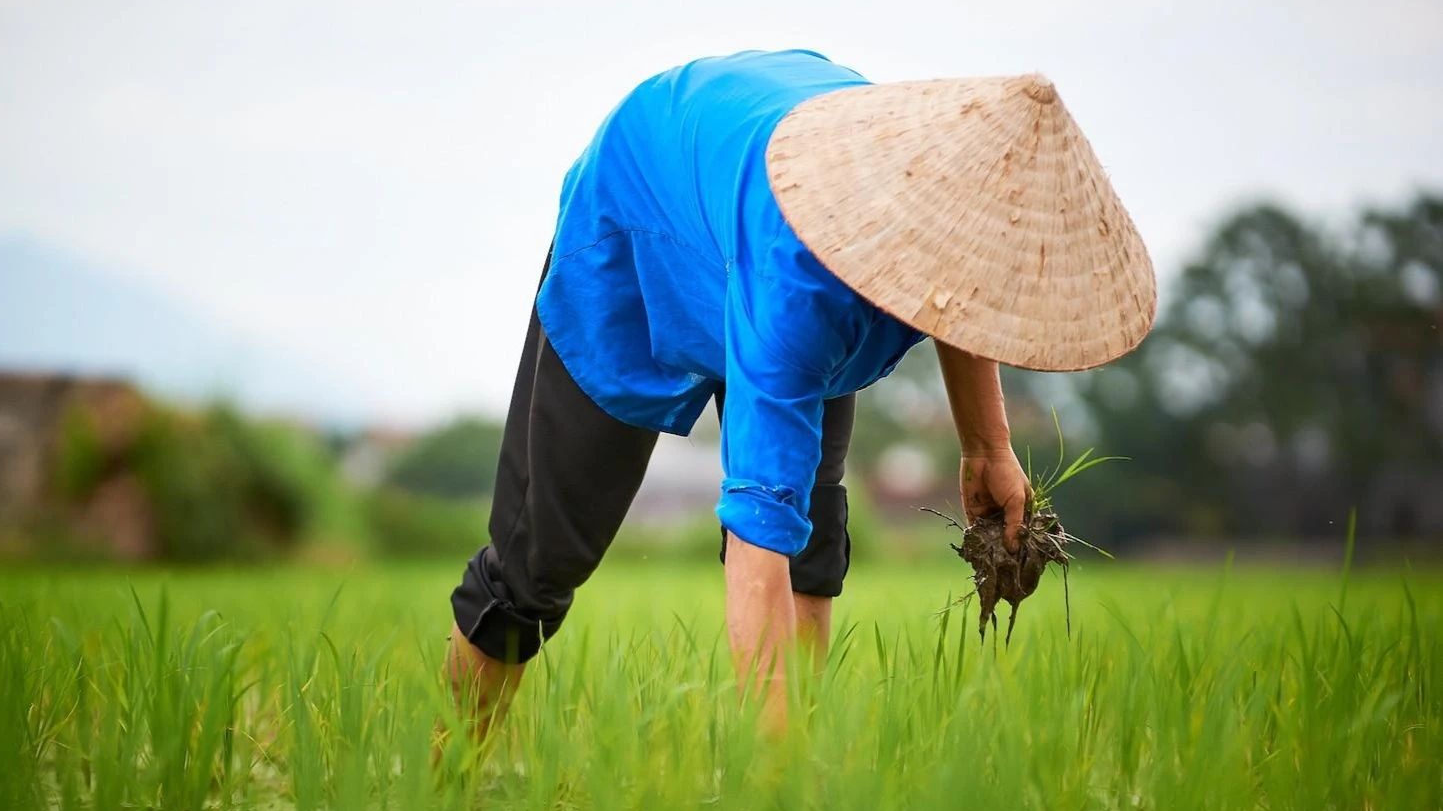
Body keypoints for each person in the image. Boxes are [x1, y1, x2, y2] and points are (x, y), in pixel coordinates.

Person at [443, 49, 1155, 733]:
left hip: (748, 184)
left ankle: (788, 768)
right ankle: (454, 785)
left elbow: (955, 282)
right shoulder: (802, 289)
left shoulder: (931, 195)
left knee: (812, 539)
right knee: (537, 567)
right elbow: (756, 535)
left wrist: (986, 446)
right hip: (640, 210)